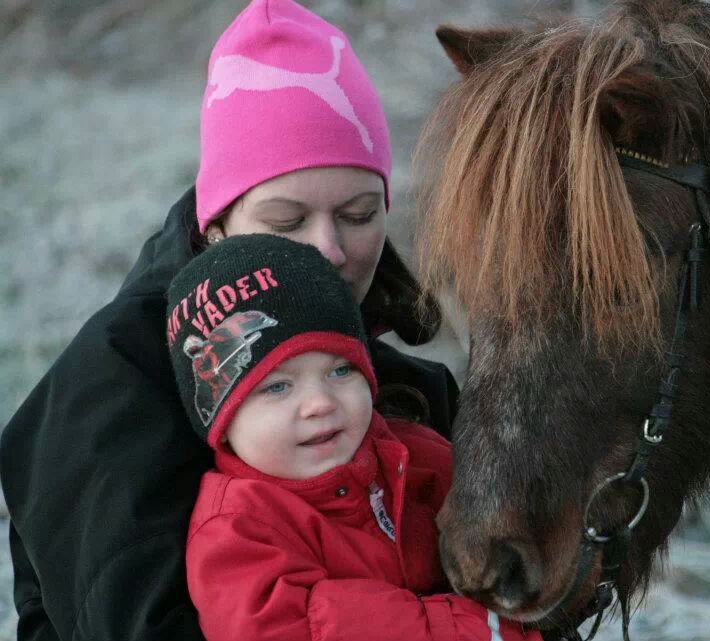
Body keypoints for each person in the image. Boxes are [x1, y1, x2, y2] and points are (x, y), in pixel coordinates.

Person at [0, 1, 459, 639]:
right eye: (286, 220)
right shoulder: (110, 394)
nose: (328, 249)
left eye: (358, 215)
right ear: (214, 225)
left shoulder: (418, 390)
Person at [167, 234, 534, 641]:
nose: (320, 403)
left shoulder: (413, 453)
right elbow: (290, 629)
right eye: (277, 387)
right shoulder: (237, 530)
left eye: (341, 370)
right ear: (221, 421)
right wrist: (475, 628)